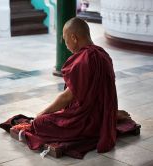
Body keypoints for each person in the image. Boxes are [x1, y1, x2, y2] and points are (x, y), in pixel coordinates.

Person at [26, 17, 118, 153]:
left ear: (74, 38)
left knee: (39, 123)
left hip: (87, 122)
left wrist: (42, 113)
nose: (65, 43)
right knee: (56, 113)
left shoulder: (84, 60)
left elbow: (67, 97)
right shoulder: (103, 55)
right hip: (104, 118)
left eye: (65, 38)